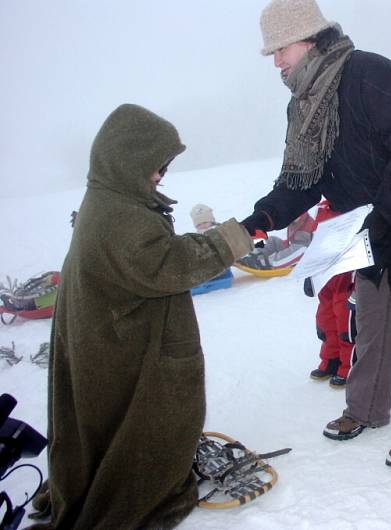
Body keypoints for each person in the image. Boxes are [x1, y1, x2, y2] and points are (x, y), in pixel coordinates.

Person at [241, 0, 391, 469]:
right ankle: (365, 409)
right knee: (370, 313)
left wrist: (382, 218)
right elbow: (301, 180)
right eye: (272, 54)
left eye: (280, 49)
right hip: (367, 219)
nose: (276, 61)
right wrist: (259, 219)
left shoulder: (369, 74)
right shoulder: (303, 105)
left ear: (310, 38)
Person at [37, 103, 253, 529]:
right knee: (147, 422)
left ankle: (105, 481)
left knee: (108, 425)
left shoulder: (108, 197)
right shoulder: (121, 218)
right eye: (156, 166)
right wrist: (236, 236)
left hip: (109, 336)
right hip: (123, 345)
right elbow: (169, 264)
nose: (160, 176)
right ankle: (139, 491)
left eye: (164, 168)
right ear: (128, 158)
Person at [307, 200, 357, 388]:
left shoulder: (357, 205)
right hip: (325, 276)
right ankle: (331, 359)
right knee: (325, 321)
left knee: (346, 324)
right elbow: (315, 244)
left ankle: (349, 367)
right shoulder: (323, 209)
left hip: (346, 275)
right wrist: (310, 275)